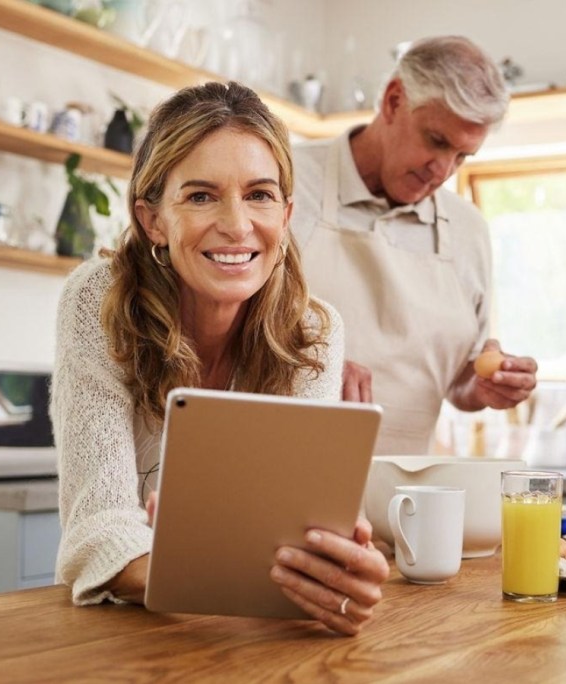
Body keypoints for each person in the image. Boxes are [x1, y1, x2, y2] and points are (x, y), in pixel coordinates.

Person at [50, 81, 388, 636]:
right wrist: (201, 564)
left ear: (285, 213)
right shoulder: (98, 300)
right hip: (126, 637)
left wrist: (340, 568)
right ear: (153, 219)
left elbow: (304, 528)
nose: (237, 224)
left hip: (252, 639)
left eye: (259, 194)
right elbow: (98, 525)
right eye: (201, 196)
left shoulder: (315, 330)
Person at [291, 35, 538, 455]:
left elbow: (458, 382)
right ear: (392, 101)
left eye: (462, 157)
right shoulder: (283, 181)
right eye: (436, 141)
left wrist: (484, 387)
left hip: (404, 494)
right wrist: (310, 366)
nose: (442, 170)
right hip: (287, 472)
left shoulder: (467, 231)